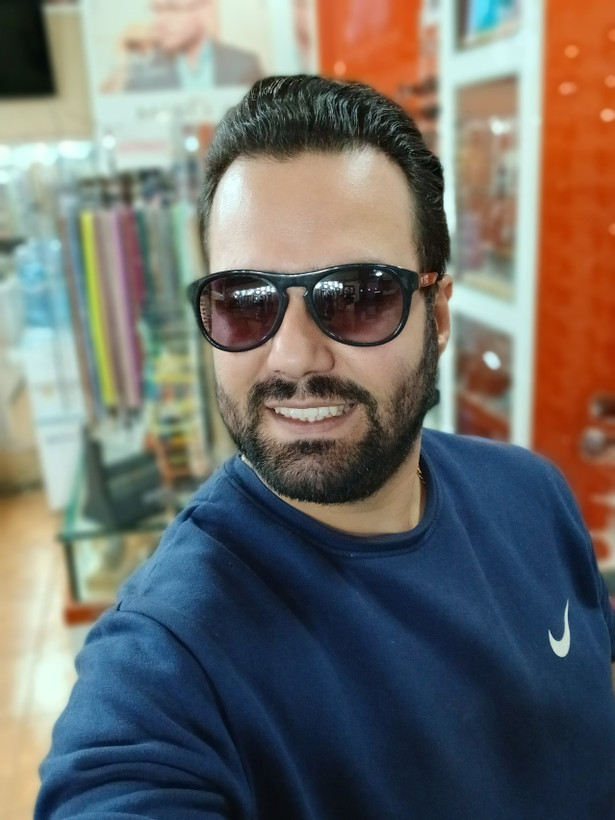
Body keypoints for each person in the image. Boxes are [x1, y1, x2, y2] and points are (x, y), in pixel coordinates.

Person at [36, 75, 615, 819]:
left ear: (437, 316)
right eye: (246, 303)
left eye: (358, 295)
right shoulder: (173, 659)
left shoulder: (532, 497)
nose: (292, 358)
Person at [101, 0, 263, 93]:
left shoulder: (245, 64)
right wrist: (124, 63)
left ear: (202, 9)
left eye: (172, 8)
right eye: (156, 10)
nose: (159, 20)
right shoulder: (142, 69)